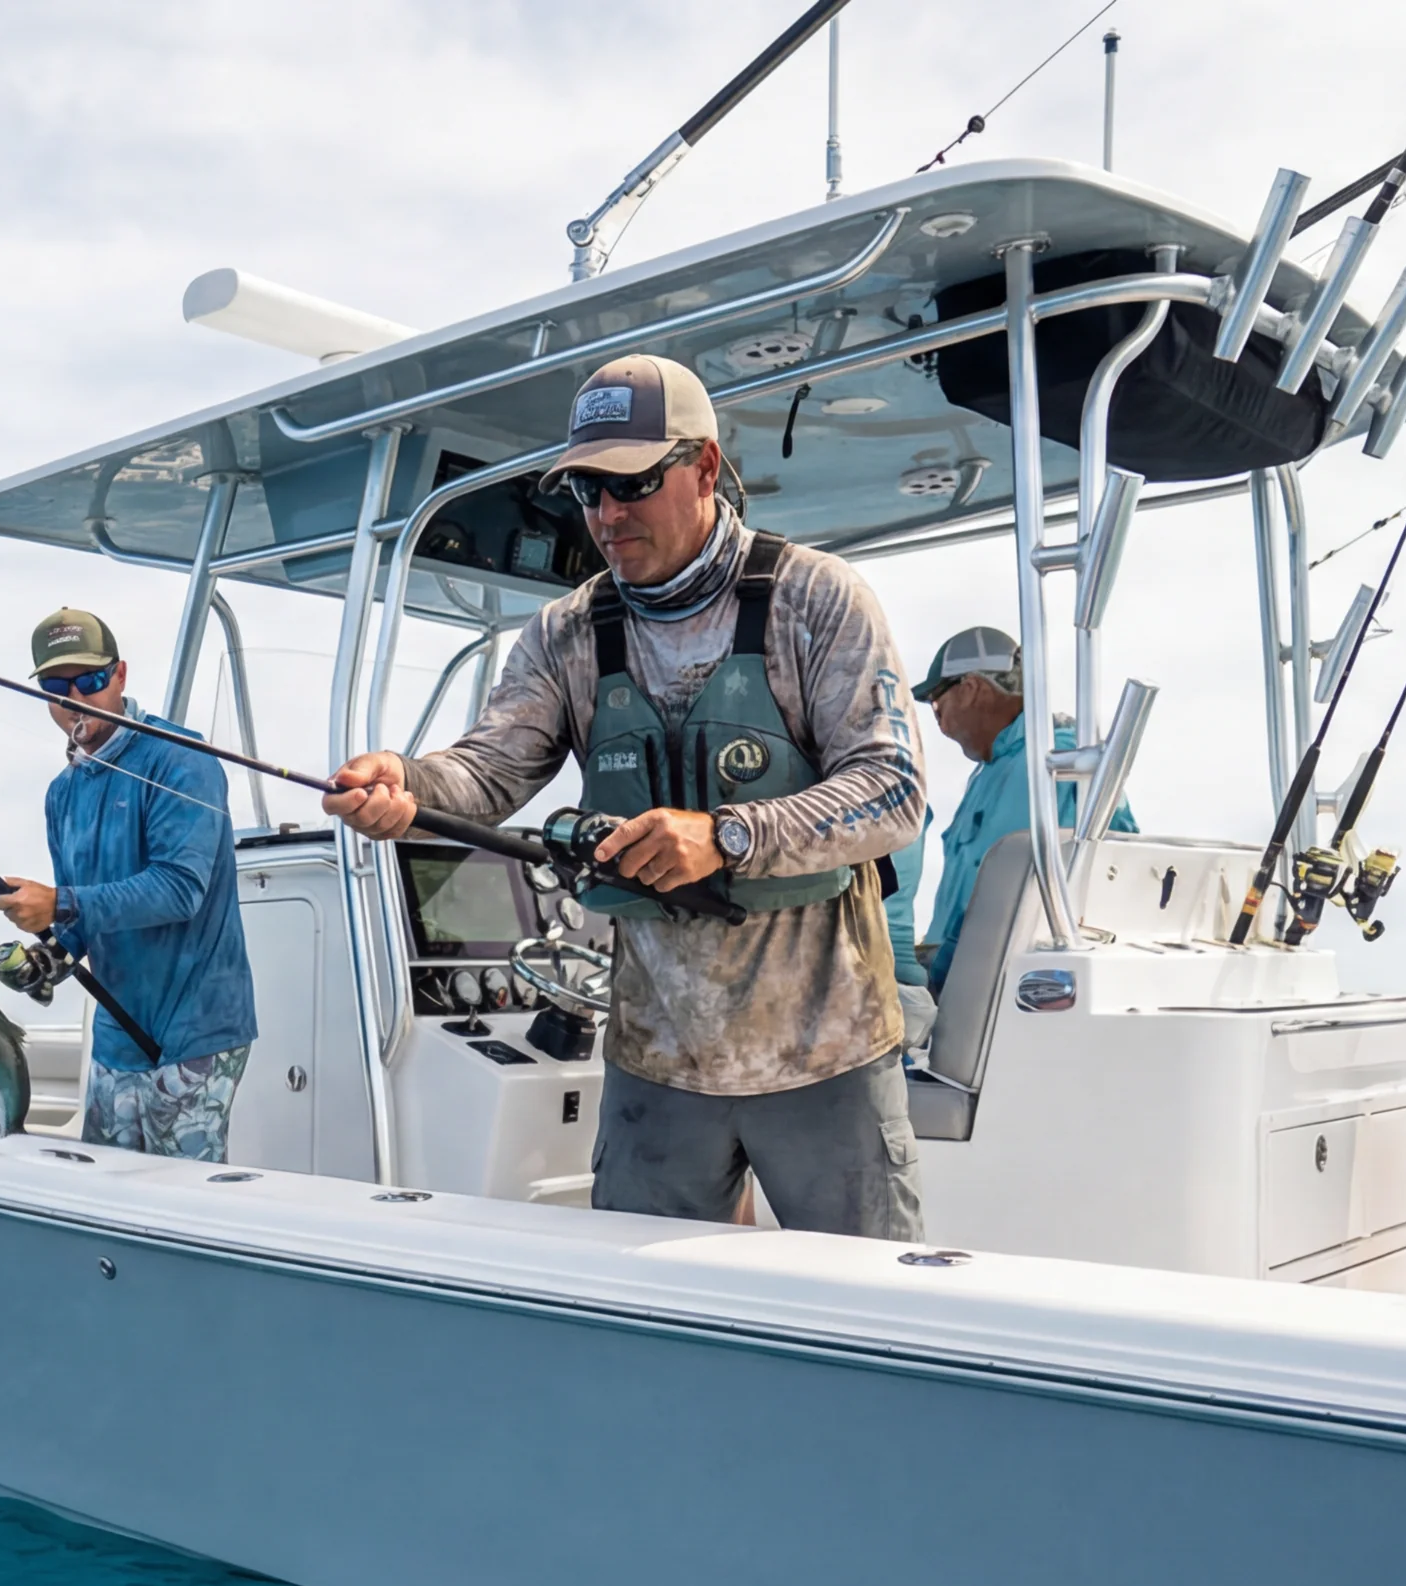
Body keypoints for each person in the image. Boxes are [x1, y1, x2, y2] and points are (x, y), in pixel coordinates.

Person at [322, 353, 929, 1238]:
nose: (608, 514)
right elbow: (489, 772)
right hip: (658, 1062)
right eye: (586, 493)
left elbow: (895, 792)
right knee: (648, 1320)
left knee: (866, 1320)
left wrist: (726, 836)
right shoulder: (564, 633)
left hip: (828, 1053)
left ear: (707, 469)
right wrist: (406, 783)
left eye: (634, 483)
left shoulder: (818, 599)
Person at [0, 608, 257, 1160]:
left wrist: (58, 902)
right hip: (117, 1040)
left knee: (178, 1211)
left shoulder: (183, 759)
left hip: (194, 1035)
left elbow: (179, 890)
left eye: (89, 681)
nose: (75, 698)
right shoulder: (61, 794)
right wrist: (49, 956)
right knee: (106, 1196)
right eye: (55, 685)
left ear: (120, 676)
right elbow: (79, 925)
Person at [905, 625, 1138, 996]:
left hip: (1003, 992)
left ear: (971, 689)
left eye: (936, 698)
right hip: (978, 982)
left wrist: (932, 978)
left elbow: (1002, 899)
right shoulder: (996, 768)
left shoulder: (1040, 764)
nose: (935, 714)